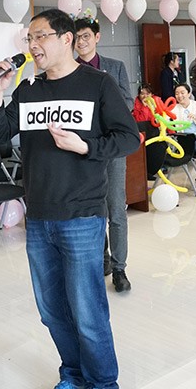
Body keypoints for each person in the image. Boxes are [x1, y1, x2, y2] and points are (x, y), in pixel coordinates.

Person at [0, 8, 140, 389]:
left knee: (87, 312)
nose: (33, 45)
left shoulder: (98, 84)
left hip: (82, 216)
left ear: (66, 39)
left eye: (40, 37)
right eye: (29, 39)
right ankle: (73, 374)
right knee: (52, 311)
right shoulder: (29, 90)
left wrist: (86, 146)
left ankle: (103, 383)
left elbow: (128, 138)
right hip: (38, 217)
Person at [74, 17, 134, 292]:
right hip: (83, 150)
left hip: (112, 147)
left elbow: (128, 102)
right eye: (77, 37)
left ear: (97, 37)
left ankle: (120, 269)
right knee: (92, 210)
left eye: (86, 36)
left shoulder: (115, 67)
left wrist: (104, 111)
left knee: (116, 209)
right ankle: (103, 258)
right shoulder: (70, 70)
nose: (81, 42)